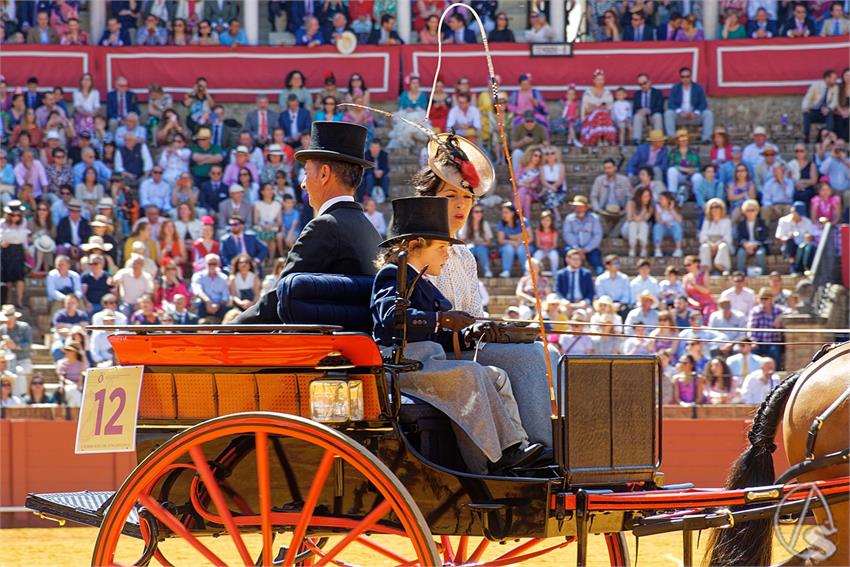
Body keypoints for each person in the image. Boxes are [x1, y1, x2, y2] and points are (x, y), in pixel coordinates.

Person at [371, 196, 543, 474]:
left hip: (428, 362)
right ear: (414, 246)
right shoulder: (393, 275)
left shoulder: (424, 284)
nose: (446, 254)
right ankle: (494, 460)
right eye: (441, 247)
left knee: (495, 376)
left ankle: (517, 446)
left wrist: (469, 335)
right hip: (402, 365)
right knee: (471, 373)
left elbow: (435, 335)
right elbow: (390, 320)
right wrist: (441, 319)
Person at [412, 131, 555, 450]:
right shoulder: (415, 251)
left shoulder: (464, 255)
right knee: (532, 358)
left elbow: (475, 315)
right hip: (437, 355)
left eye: (467, 198)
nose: (460, 205)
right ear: (428, 199)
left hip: (463, 346)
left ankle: (554, 446)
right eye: (450, 197)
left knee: (549, 353)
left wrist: (500, 329)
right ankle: (544, 451)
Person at [236, 121, 381, 324]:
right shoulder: (370, 229)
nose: (303, 184)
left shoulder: (325, 226)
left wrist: (227, 330)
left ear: (323, 174)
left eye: (306, 172)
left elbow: (279, 299)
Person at [664, 67, 713, 142]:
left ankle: (706, 138)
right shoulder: (675, 88)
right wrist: (680, 112)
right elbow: (671, 103)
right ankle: (672, 138)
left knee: (708, 113)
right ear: (680, 77)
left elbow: (703, 103)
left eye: (687, 76)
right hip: (680, 116)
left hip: (694, 116)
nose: (685, 78)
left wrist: (696, 113)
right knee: (668, 113)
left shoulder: (698, 88)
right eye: (683, 77)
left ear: (691, 77)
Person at [562, 195, 603, 274]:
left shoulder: (594, 218)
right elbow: (567, 234)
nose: (578, 209)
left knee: (599, 266)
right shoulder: (569, 219)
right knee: (567, 253)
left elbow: (597, 235)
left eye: (581, 206)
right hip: (573, 247)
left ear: (586, 207)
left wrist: (586, 249)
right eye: (576, 207)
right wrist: (577, 248)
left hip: (590, 248)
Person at [776, 201, 819, 275]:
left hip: (803, 245)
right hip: (790, 246)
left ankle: (807, 269)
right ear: (792, 211)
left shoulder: (807, 221)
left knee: (809, 247)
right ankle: (793, 268)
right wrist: (789, 237)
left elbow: (812, 235)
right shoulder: (783, 221)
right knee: (790, 242)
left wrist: (808, 237)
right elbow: (780, 237)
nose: (799, 216)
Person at [590, 158, 631, 236]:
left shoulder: (624, 180)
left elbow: (629, 197)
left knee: (628, 217)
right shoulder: (599, 180)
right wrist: (597, 209)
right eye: (605, 168)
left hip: (620, 210)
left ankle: (612, 235)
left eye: (609, 168)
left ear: (615, 168)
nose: (607, 170)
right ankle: (607, 233)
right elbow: (593, 197)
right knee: (595, 217)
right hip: (604, 210)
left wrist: (625, 210)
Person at [0, 201, 28, 307]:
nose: (16, 217)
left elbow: (24, 237)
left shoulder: (24, 222)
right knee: (7, 277)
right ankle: (8, 301)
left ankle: (19, 301)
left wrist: (26, 249)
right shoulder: (2, 223)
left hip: (18, 250)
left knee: (20, 276)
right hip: (7, 250)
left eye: (18, 215)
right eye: (13, 215)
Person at [748, 287, 785, 368]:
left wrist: (780, 317)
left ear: (771, 299)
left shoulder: (778, 310)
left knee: (774, 351)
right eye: (761, 298)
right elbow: (751, 329)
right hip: (759, 342)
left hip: (773, 342)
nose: (763, 301)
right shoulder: (755, 311)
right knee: (753, 353)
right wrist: (753, 341)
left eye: (766, 298)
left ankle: (777, 374)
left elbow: (791, 311)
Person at [580, 69, 616, 146]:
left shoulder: (607, 92)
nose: (600, 81)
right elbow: (586, 110)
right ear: (594, 80)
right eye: (598, 79)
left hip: (605, 118)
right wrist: (598, 108)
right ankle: (599, 139)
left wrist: (597, 107)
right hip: (590, 118)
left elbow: (610, 109)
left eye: (602, 79)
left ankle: (605, 139)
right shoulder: (588, 93)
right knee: (599, 113)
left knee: (602, 114)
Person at [802, 69, 839, 143]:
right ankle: (806, 136)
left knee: (830, 114)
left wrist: (828, 108)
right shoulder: (816, 85)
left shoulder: (835, 87)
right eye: (834, 78)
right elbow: (808, 98)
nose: (836, 80)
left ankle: (829, 136)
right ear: (827, 78)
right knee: (806, 115)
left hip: (825, 112)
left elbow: (835, 101)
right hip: (814, 110)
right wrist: (805, 107)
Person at [699, 198, 733, 274]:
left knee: (723, 246)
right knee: (704, 247)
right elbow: (703, 235)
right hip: (709, 243)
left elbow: (727, 236)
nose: (714, 209)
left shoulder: (726, 221)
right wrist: (710, 244)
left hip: (721, 242)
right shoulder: (707, 221)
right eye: (712, 207)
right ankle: (705, 269)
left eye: (717, 207)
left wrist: (717, 244)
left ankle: (724, 268)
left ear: (721, 208)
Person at [496, 201, 529, 278]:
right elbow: (501, 240)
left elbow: (530, 237)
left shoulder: (523, 221)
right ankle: (506, 271)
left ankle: (527, 271)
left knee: (521, 249)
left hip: (523, 245)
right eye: (503, 213)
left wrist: (520, 242)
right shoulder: (501, 224)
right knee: (508, 248)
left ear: (512, 213)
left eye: (506, 212)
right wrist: (513, 242)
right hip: (507, 247)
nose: (503, 215)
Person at [631, 74, 664, 144]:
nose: (643, 86)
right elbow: (634, 110)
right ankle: (636, 139)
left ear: (650, 82)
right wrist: (639, 111)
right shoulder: (637, 94)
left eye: (644, 83)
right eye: (640, 84)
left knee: (658, 116)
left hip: (652, 115)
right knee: (637, 116)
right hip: (642, 117)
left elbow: (660, 108)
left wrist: (648, 111)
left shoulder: (657, 93)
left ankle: (658, 139)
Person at [624, 187, 653, 257]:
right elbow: (629, 218)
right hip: (628, 228)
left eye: (648, 196)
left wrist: (644, 207)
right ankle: (632, 248)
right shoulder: (630, 203)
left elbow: (645, 218)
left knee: (643, 224)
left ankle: (643, 248)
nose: (647, 198)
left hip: (641, 229)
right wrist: (636, 218)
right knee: (633, 224)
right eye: (645, 196)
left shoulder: (650, 207)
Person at [653, 191, 683, 257]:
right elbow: (657, 220)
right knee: (657, 227)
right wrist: (665, 222)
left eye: (662, 199)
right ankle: (657, 250)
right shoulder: (657, 207)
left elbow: (679, 220)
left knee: (677, 226)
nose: (660, 200)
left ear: (668, 200)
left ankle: (678, 249)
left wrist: (671, 209)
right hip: (663, 226)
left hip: (672, 227)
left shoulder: (675, 207)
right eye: (659, 199)